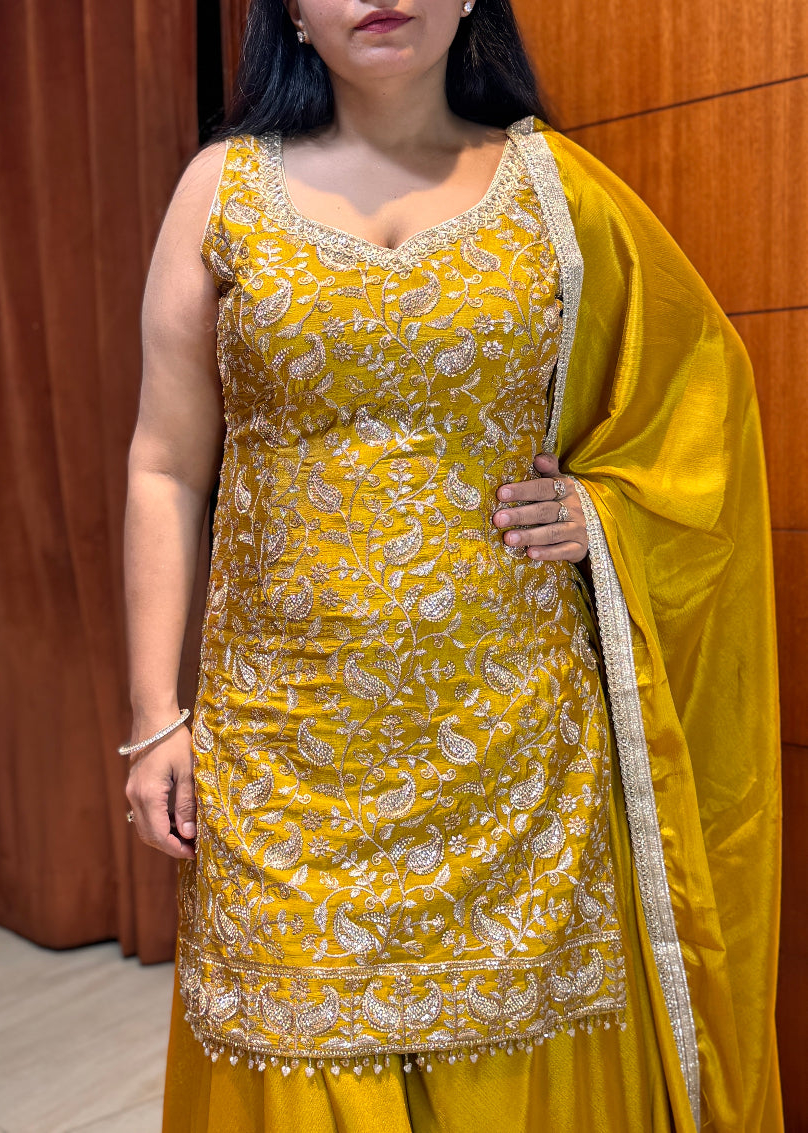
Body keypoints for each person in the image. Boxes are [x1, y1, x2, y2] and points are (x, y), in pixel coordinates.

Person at [121, 0, 783, 1128]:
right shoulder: (220, 190)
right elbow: (164, 467)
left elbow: (699, 405)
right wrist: (153, 718)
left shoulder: (556, 189)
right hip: (287, 747)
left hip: (515, 745)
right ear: (291, 10)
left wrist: (602, 506)